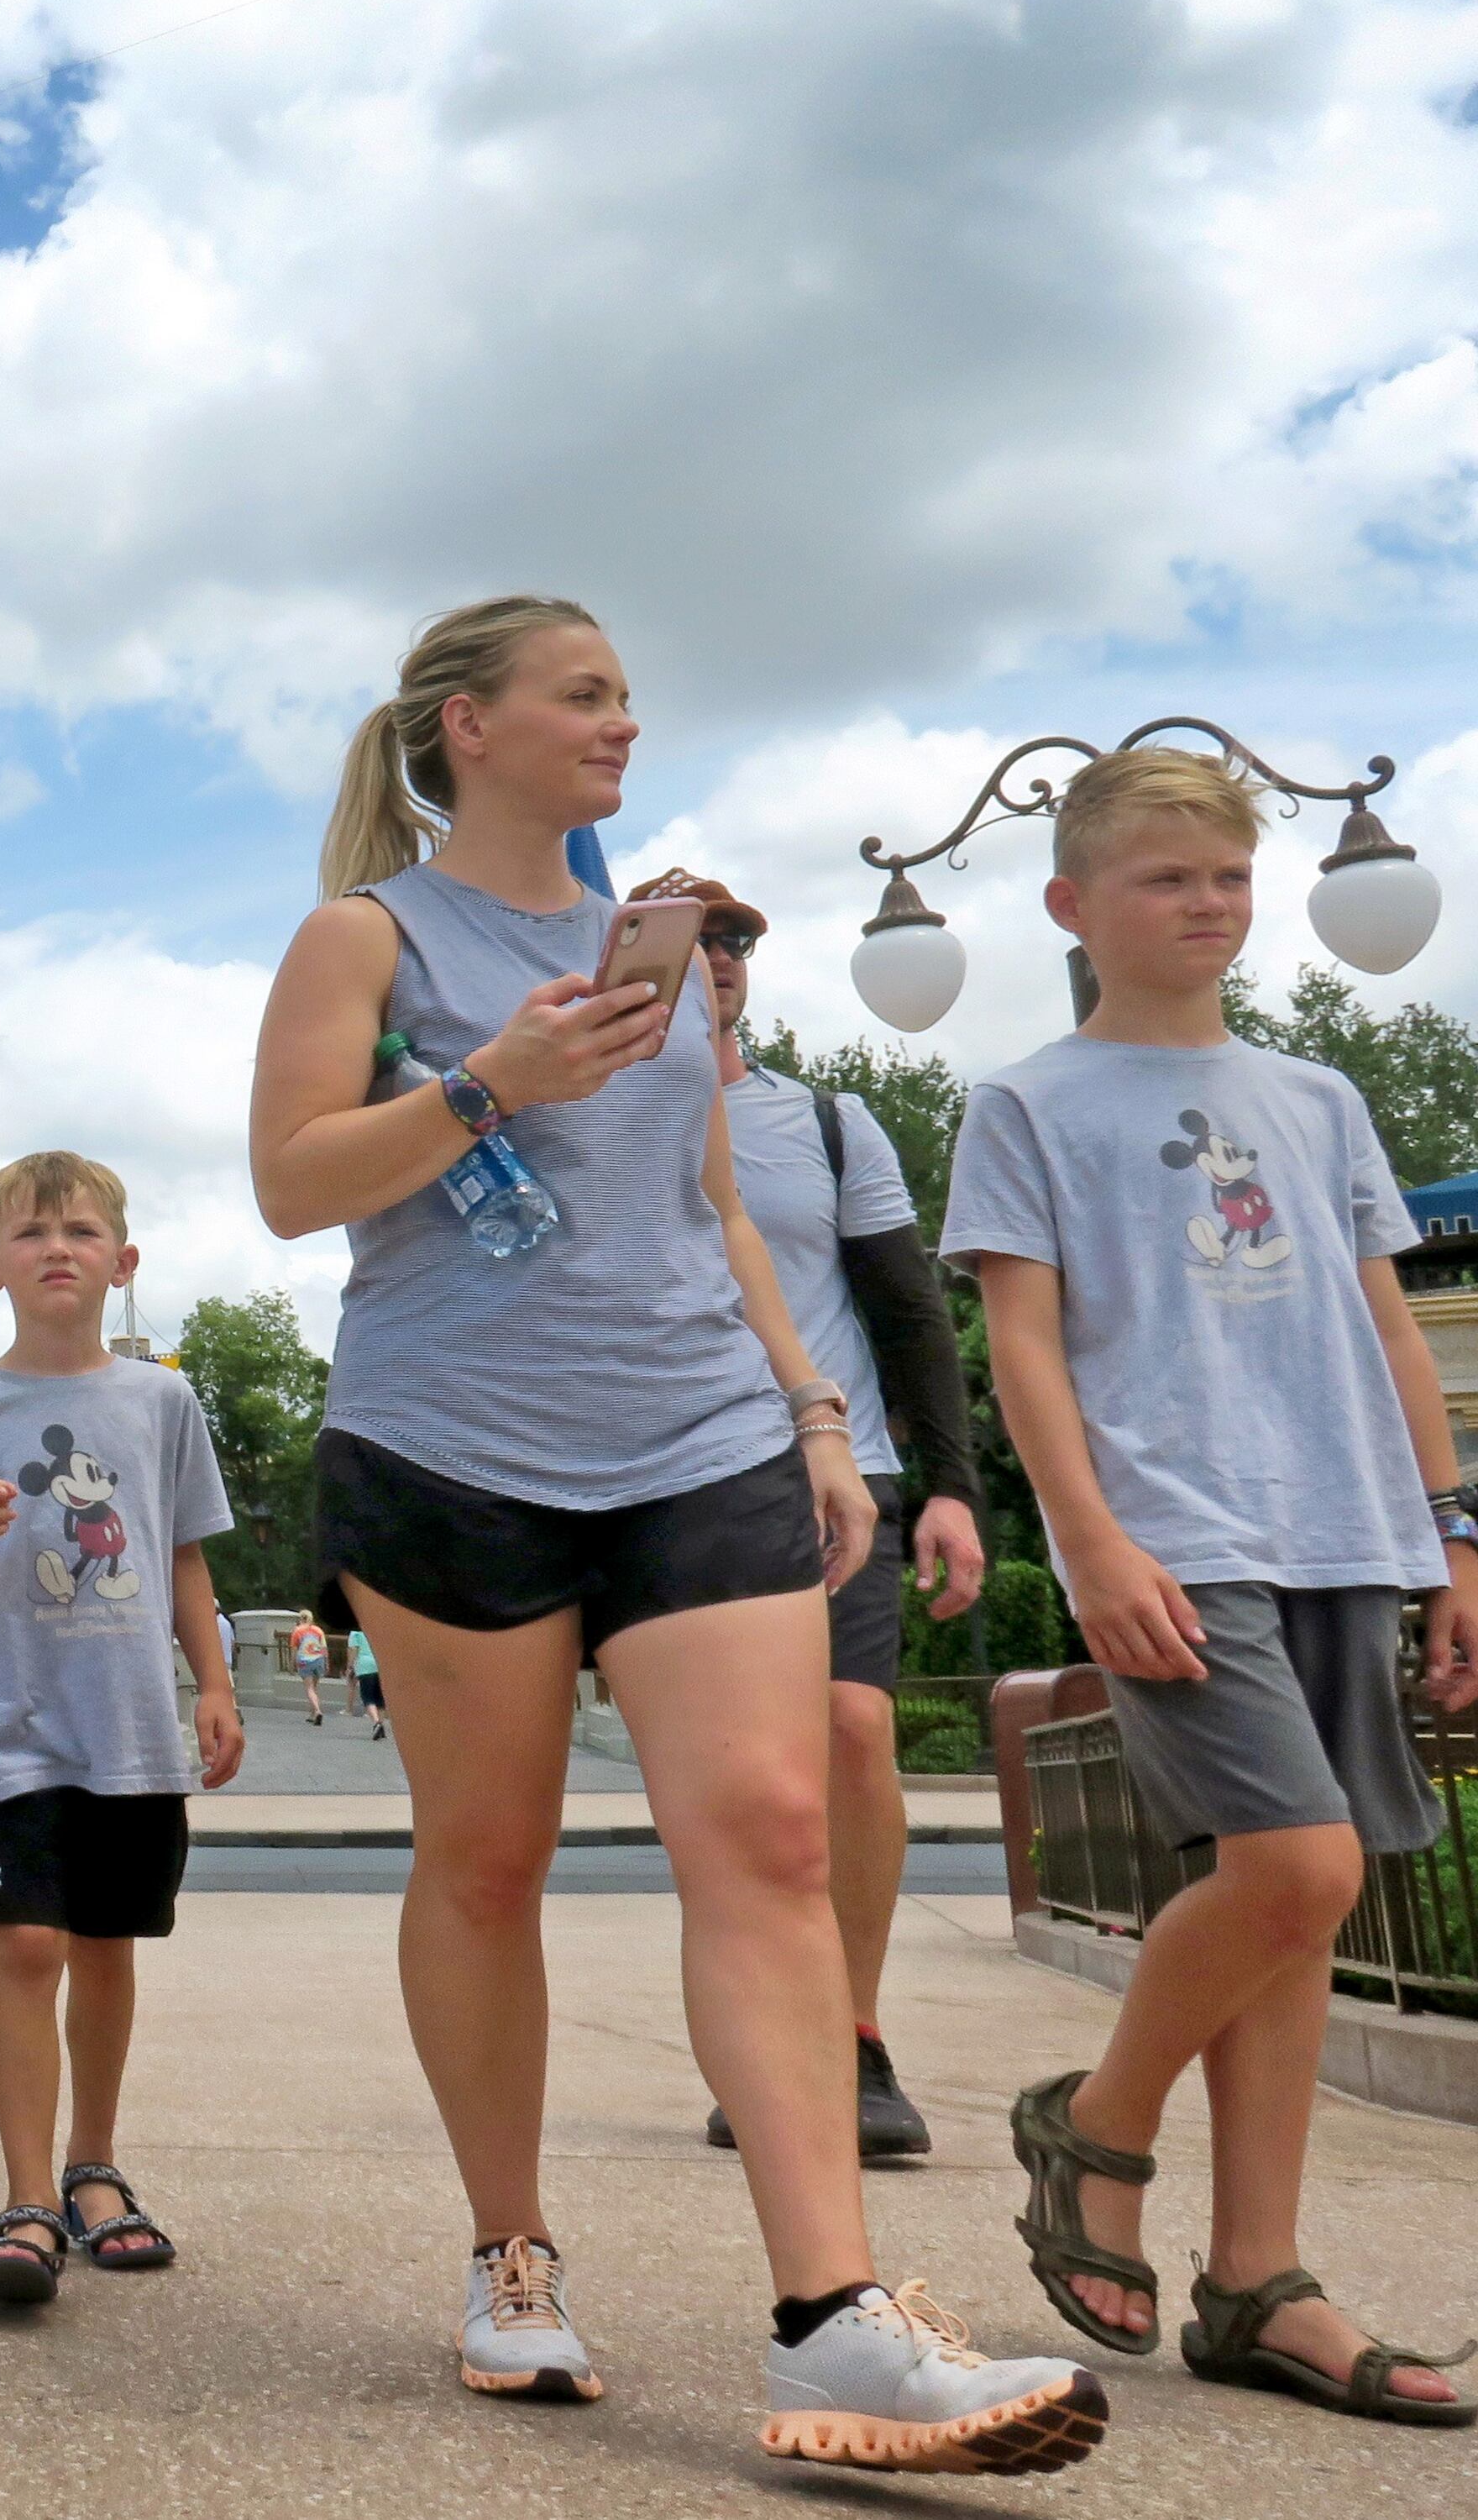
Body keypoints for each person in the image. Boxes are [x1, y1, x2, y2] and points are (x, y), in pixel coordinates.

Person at [246, 596, 1098, 2472]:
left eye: (629, 696)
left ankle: (836, 2318)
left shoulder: (676, 950)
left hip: (695, 1437)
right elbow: (291, 1180)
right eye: (585, 695)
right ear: (467, 726)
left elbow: (715, 1208)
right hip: (454, 1447)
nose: (622, 723)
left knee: (778, 1833)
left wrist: (814, 1419)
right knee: (488, 1855)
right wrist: (491, 1082)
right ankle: (513, 2254)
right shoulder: (371, 933)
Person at [948, 747, 1478, 2426]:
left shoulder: (1319, 1098)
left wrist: (1456, 1529)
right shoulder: (1028, 1101)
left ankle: (1260, 2278)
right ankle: (1096, 2127)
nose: (1206, 903)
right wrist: (1088, 1538)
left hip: (1347, 1524)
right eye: (1167, 877)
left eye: (1229, 877)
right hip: (1177, 1532)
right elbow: (1018, 1338)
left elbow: (1392, 1325)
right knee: (1297, 1861)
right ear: (1073, 905)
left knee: (1306, 1904)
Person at [632, 866, 989, 2160]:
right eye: (688, 940)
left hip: (844, 1474)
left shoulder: (830, 1124)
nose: (716, 958)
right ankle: (761, 2036)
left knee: (850, 1734)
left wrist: (950, 1485)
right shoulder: (607, 1120)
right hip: (675, 1479)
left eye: (733, 940)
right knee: (741, 1789)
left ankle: (852, 2033)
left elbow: (909, 1314)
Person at [0, 1152, 244, 2305]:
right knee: (28, 1945)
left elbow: (183, 1552)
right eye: (36, 1232)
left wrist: (216, 1683)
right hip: (16, 1726)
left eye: (84, 1231)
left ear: (123, 1261)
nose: (61, 1247)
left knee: (106, 1946)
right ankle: (28, 2196)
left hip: (133, 1726)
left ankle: (97, 2167)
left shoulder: (163, 1401)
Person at [348, 1620, 388, 1738]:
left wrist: (350, 1666)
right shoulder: (377, 1628)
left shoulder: (355, 1632)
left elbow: (353, 1650)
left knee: (368, 1697)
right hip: (379, 1664)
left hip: (364, 1666)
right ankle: (382, 1724)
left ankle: (376, 1723)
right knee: (379, 1697)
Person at [288, 1613, 328, 1723]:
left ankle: (317, 1711)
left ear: (300, 1619)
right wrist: (326, 1663)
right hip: (318, 1660)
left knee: (309, 1689)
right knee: (315, 1688)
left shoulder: (297, 1631)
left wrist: (292, 1665)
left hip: (305, 1661)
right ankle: (312, 1714)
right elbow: (324, 1648)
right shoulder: (318, 1630)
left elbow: (294, 1650)